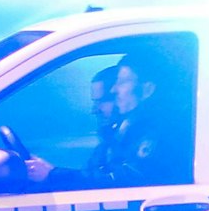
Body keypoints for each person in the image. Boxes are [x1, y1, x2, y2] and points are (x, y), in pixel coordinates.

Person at [25, 55, 184, 189]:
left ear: (147, 89)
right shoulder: (123, 131)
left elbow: (124, 179)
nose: (115, 90)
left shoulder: (157, 132)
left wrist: (54, 175)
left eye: (121, 82)